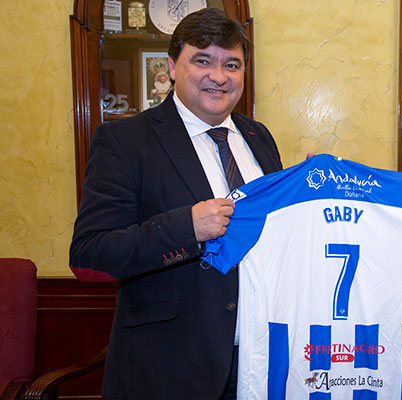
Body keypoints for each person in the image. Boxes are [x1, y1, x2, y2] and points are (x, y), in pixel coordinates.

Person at [69, 8, 282, 399]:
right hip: (168, 369)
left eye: (232, 64)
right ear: (171, 66)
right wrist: (187, 228)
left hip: (259, 361)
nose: (218, 76)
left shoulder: (258, 137)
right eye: (202, 60)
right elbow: (90, 254)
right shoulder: (124, 141)